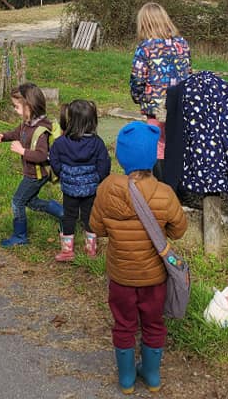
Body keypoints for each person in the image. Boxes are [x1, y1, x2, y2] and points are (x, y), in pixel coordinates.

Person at [89, 121, 187, 394]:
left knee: (124, 324)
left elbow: (96, 228)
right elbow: (179, 231)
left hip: (120, 277)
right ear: (152, 156)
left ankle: (127, 378)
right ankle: (152, 376)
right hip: (154, 278)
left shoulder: (107, 189)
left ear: (121, 156)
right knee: (154, 323)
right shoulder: (165, 194)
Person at [0, 82, 64, 247]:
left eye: (17, 106)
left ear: (29, 106)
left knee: (17, 201)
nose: (15, 110)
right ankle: (62, 212)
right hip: (33, 172)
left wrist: (22, 151)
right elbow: (17, 133)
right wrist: (3, 136)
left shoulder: (41, 130)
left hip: (36, 174)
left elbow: (41, 155)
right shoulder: (28, 123)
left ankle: (20, 236)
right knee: (30, 201)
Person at [129, 2, 191, 177]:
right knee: (177, 142)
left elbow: (137, 79)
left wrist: (138, 97)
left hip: (156, 107)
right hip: (180, 103)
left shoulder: (145, 47)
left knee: (158, 144)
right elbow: (188, 71)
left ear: (145, 23)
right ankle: (179, 186)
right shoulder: (182, 44)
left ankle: (163, 187)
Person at [48, 99, 111, 262]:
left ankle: (67, 251)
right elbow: (104, 165)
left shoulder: (61, 142)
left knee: (69, 217)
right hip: (91, 189)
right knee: (89, 217)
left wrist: (62, 174)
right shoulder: (97, 143)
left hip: (69, 189)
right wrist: (99, 179)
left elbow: (53, 160)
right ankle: (91, 249)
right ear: (92, 121)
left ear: (71, 120)